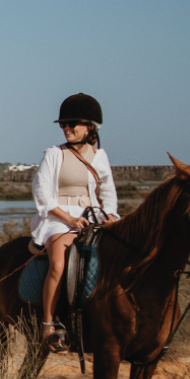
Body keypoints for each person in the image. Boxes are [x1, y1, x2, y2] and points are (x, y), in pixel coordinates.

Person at [31, 93, 119, 352]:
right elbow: (42, 193)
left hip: (93, 217)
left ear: (89, 127)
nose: (66, 128)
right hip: (58, 219)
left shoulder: (99, 156)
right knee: (58, 263)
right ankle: (48, 324)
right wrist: (69, 218)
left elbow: (108, 192)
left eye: (73, 124)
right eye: (63, 124)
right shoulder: (53, 155)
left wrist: (110, 215)